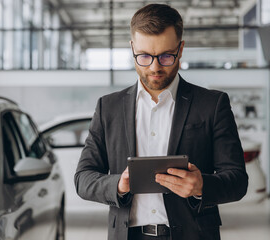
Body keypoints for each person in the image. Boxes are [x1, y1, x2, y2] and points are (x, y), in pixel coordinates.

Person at [74, 3, 248, 240]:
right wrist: (119, 185)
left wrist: (200, 187)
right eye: (144, 56)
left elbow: (237, 180)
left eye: (166, 56)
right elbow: (83, 178)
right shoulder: (108, 107)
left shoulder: (212, 104)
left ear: (181, 49)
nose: (155, 68)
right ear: (132, 48)